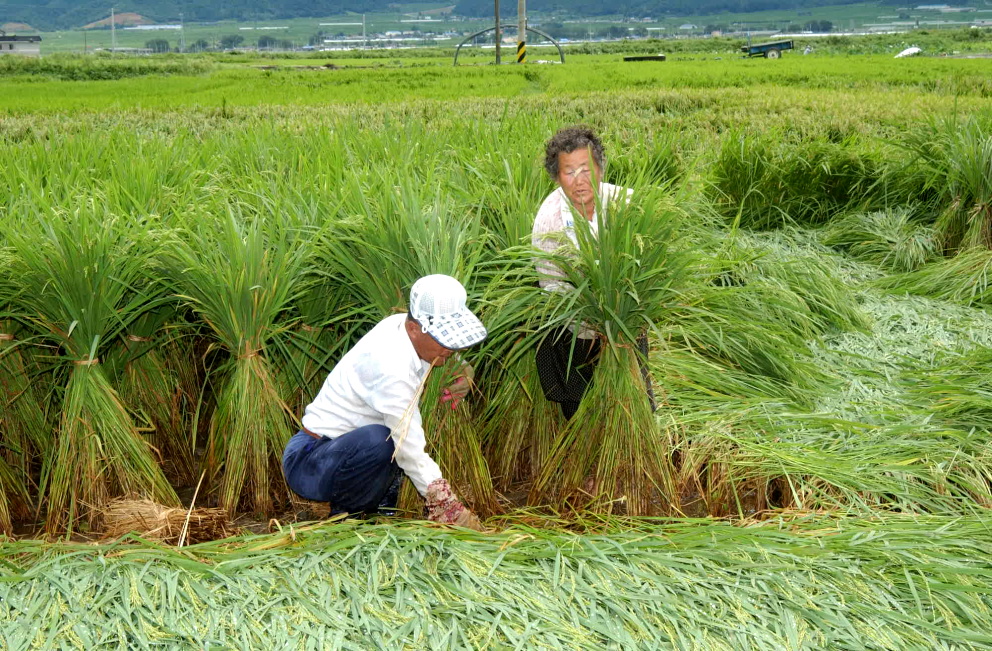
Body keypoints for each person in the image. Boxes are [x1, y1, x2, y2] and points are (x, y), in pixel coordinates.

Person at [282, 274, 488, 530]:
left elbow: (436, 355)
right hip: (312, 461)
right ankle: (346, 521)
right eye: (443, 340)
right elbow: (408, 446)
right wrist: (446, 506)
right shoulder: (390, 366)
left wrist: (461, 370)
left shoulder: (401, 327)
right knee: (384, 440)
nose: (450, 348)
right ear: (414, 329)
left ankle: (380, 513)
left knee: (383, 441)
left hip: (343, 452)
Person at [531, 126, 648, 420]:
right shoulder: (548, 224)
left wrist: (622, 322)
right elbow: (554, 290)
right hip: (577, 330)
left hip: (627, 326)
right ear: (557, 178)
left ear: (601, 169)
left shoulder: (628, 206)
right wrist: (595, 326)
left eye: (586, 169)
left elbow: (647, 269)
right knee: (581, 403)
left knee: (637, 399)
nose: (579, 181)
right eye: (569, 172)